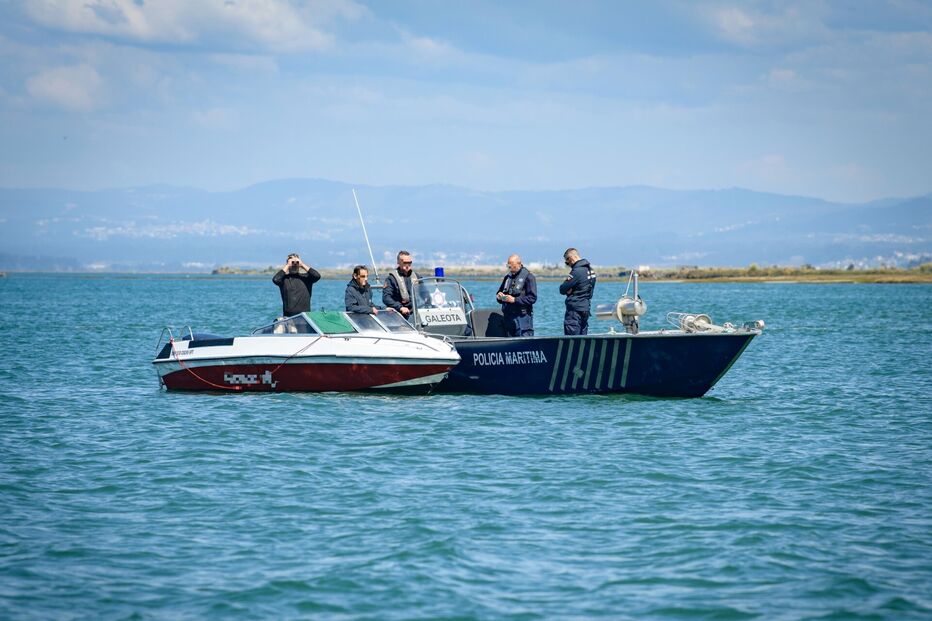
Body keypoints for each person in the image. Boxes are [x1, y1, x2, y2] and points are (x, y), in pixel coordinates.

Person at [495, 254, 537, 337]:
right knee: (509, 342)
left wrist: (514, 300)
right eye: (509, 266)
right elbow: (499, 292)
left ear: (519, 264)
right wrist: (499, 296)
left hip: (522, 318)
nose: (510, 269)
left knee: (524, 341)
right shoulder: (507, 278)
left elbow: (532, 298)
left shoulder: (529, 277)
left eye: (512, 266)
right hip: (508, 318)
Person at [559, 247, 597, 335]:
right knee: (582, 339)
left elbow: (562, 289)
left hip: (574, 311)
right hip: (585, 308)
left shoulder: (576, 271)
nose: (568, 264)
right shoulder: (591, 270)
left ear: (571, 258)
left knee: (572, 340)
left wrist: (570, 291)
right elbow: (590, 290)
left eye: (567, 262)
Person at [272, 252, 321, 317]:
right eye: (292, 262)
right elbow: (275, 279)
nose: (294, 264)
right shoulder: (284, 279)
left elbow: (317, 276)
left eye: (296, 262)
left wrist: (302, 264)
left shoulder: (306, 278)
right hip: (289, 317)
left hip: (305, 316)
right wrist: (288, 265)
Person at [382, 250, 420, 318]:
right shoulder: (391, 278)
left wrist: (428, 302)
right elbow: (386, 298)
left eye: (409, 262)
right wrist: (400, 307)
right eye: (405, 262)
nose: (407, 265)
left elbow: (425, 293)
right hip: (400, 314)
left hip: (415, 312)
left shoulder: (417, 276)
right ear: (398, 262)